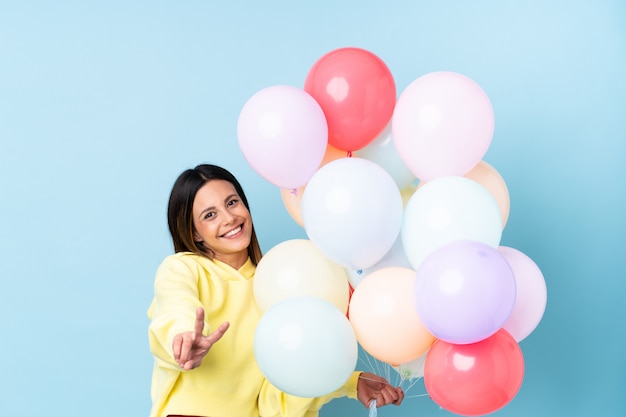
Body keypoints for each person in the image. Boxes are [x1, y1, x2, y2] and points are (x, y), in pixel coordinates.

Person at [148, 163, 404, 417]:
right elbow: (176, 303)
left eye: (232, 203)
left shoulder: (277, 284)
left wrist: (351, 382)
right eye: (210, 215)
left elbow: (277, 398)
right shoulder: (182, 269)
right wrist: (181, 338)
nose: (229, 218)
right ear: (195, 233)